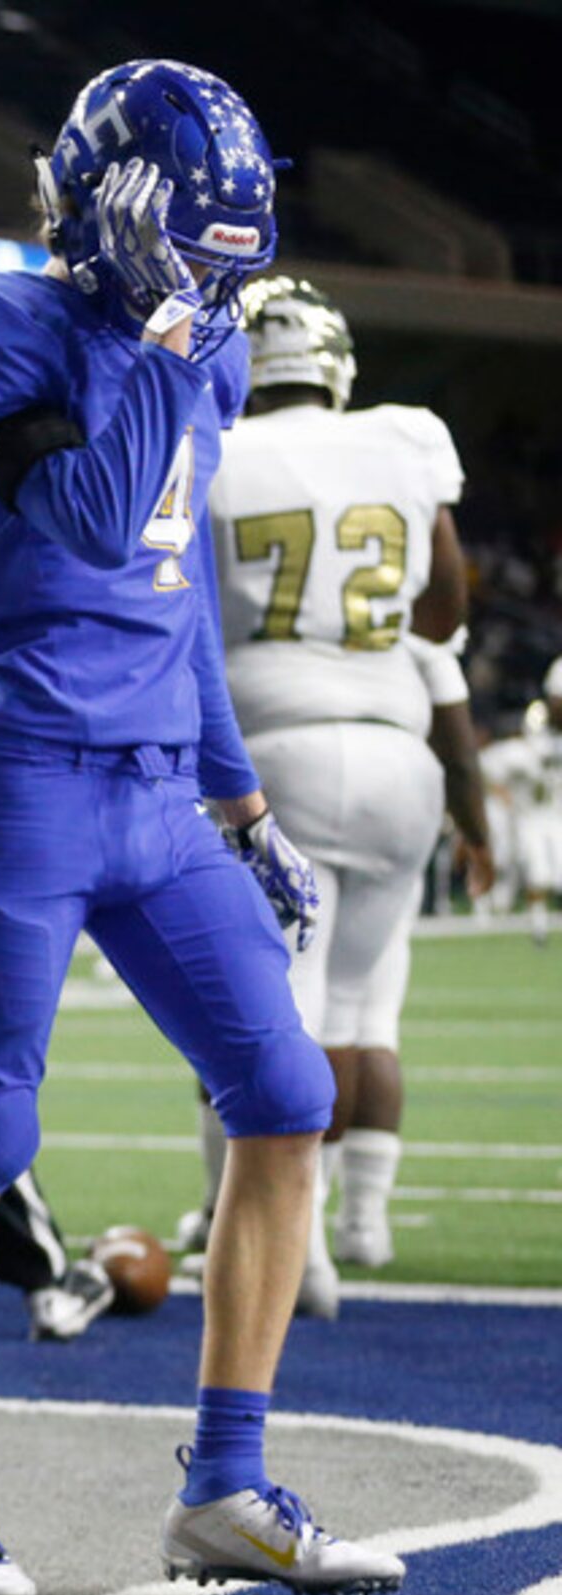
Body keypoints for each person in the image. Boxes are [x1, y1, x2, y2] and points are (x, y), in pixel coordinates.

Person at [0, 60, 400, 1595]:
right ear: (102, 209)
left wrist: (236, 801)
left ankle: (223, 1485)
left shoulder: (195, 342)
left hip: (160, 788)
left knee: (283, 1090)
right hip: (25, 776)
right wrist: (151, 332)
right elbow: (97, 517)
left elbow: (167, 604)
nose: (214, 283)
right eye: (186, 244)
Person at [196, 278, 495, 1285]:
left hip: (268, 750)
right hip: (395, 749)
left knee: (270, 1010)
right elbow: (444, 610)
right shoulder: (404, 438)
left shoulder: (215, 448)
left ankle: (295, 1243)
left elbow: (176, 604)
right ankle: (347, 1225)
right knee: (360, 1007)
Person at [482, 666, 562, 944]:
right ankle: (538, 927)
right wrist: (501, 792)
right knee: (538, 873)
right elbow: (488, 766)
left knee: (556, 877)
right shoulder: (529, 744)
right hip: (531, 815)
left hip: (556, 814)